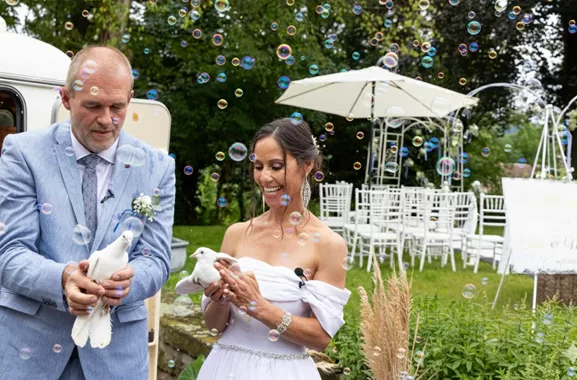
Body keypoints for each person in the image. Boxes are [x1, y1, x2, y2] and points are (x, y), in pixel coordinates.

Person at [0, 45, 175, 379]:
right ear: (66, 98)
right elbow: (9, 252)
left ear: (130, 99)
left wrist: (128, 282)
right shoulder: (23, 153)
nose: (106, 119)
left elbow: (156, 259)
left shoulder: (157, 167)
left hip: (116, 356)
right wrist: (63, 278)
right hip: (31, 353)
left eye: (117, 106)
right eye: (93, 106)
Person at [193, 118, 351, 379]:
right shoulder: (236, 234)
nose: (264, 177)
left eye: (276, 166)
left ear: (307, 165)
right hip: (224, 368)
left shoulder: (328, 244)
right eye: (258, 166)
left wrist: (259, 307)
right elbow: (214, 327)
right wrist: (220, 300)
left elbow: (321, 338)